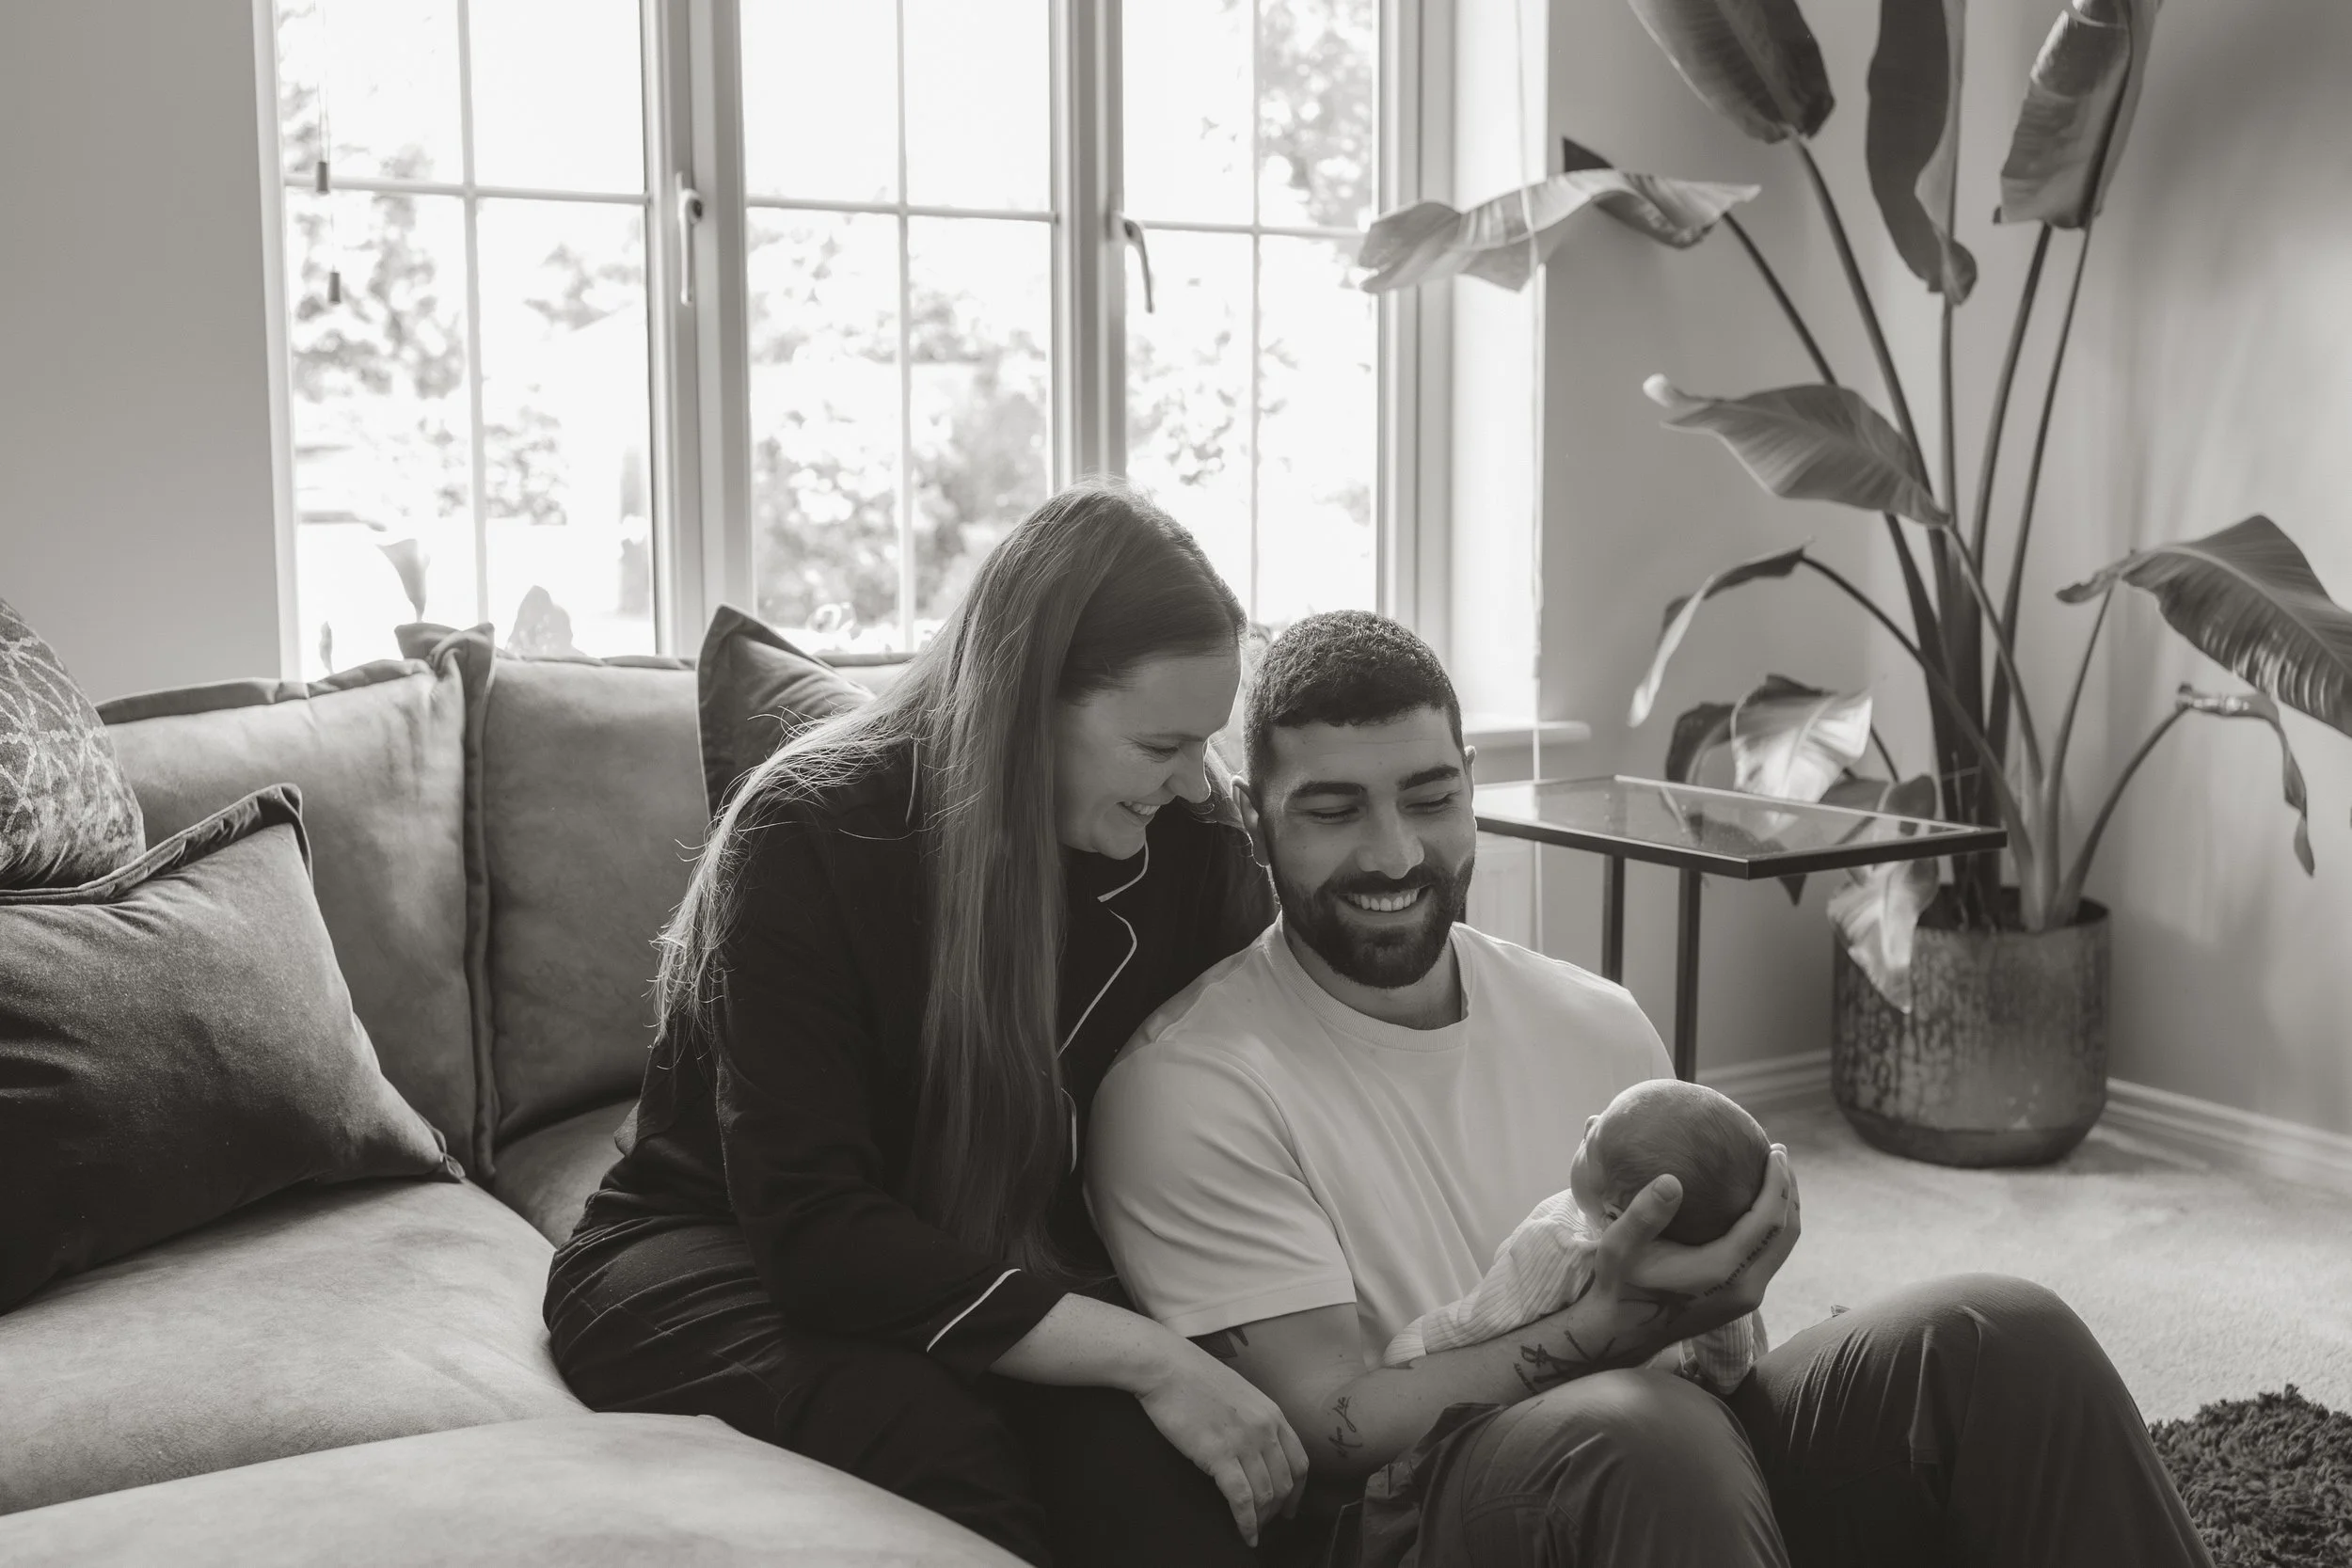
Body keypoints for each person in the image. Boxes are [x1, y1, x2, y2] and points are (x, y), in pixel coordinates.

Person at [1087, 610, 2216, 1568]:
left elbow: (1731, 1355)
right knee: (1645, 1423)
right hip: (1421, 1520)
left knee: (1996, 1331)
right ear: (1254, 818)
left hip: (1672, 1470)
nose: (1394, 854)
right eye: (1333, 812)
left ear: (1471, 790)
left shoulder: (1594, 1016)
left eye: (1429, 797)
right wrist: (1604, 1325)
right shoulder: (1187, 1083)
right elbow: (1330, 1431)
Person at [542, 480, 1311, 1568]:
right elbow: (814, 1230)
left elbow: (1269, 1088)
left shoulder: (1191, 847)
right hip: (719, 1249)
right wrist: (1151, 1357)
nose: (1194, 783)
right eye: (1159, 746)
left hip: (989, 1261)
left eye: (1203, 744)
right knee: (930, 1437)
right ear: (1029, 700)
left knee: (1178, 1498)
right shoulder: (810, 828)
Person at [1383, 1079, 1772, 1399]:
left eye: (1592, 1142)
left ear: (1615, 1217)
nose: (1588, 1123)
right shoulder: (1712, 1266)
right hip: (1656, 1380)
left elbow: (1489, 1316)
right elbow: (1728, 1333)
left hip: (1564, 1396)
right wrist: (1724, 1382)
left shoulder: (1560, 1243)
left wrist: (1420, 1344)